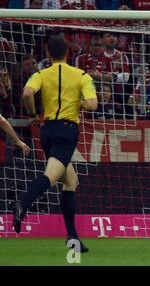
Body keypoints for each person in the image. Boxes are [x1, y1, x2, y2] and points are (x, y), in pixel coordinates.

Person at [13, 35, 98, 253]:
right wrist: (77, 103)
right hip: (66, 131)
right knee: (50, 178)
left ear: (48, 55)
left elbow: (27, 93)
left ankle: (73, 238)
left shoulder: (41, 73)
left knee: (71, 181)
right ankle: (23, 202)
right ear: (67, 53)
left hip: (47, 131)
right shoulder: (81, 75)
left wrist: (32, 114)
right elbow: (92, 104)